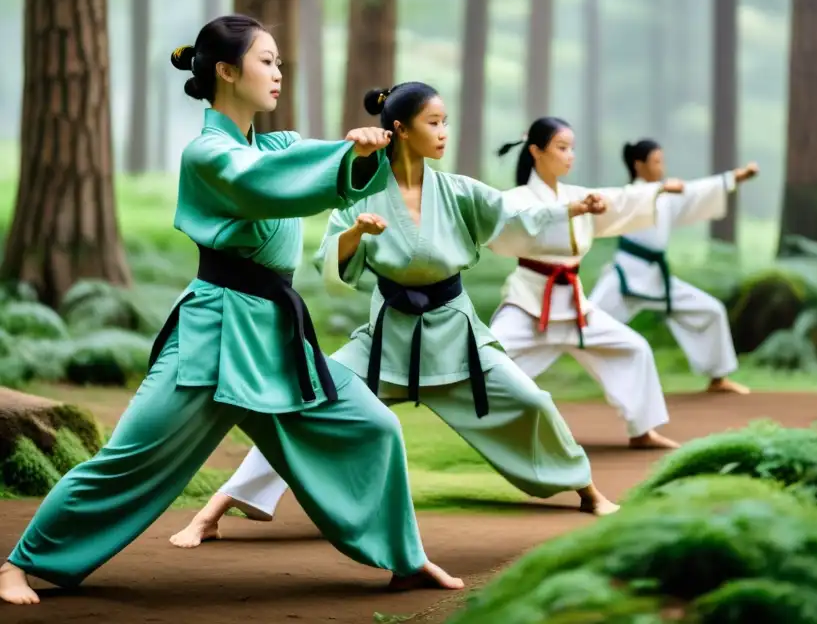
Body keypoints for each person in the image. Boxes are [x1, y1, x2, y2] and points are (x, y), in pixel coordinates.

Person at [0, 17, 461, 606]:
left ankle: (406, 558)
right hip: (214, 334)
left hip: (274, 335)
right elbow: (265, 183)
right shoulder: (208, 154)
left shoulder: (274, 144)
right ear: (225, 71)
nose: (277, 72)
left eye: (278, 62)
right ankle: (20, 562)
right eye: (266, 61)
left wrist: (360, 153)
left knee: (372, 426)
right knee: (131, 459)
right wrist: (346, 156)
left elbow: (301, 160)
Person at [168, 82, 619, 548]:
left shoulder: (459, 190)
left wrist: (572, 207)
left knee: (532, 401)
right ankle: (214, 509)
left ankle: (587, 490)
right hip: (385, 336)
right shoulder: (362, 192)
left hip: (454, 333)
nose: (444, 132)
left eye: (445, 122)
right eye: (434, 122)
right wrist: (356, 233)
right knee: (304, 402)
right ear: (400, 130)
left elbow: (515, 215)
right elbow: (332, 261)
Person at [488, 118, 687, 450]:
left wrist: (657, 190)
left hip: (574, 303)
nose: (570, 156)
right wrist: (571, 209)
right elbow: (516, 220)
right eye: (562, 148)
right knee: (488, 359)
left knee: (634, 349)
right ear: (536, 151)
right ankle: (490, 432)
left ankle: (642, 430)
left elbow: (620, 200)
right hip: (530, 301)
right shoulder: (518, 199)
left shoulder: (577, 195)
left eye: (572, 149)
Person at [588, 139, 759, 395]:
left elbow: (700, 190)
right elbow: (626, 200)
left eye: (661, 161)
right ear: (639, 165)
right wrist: (661, 189)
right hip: (625, 276)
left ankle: (717, 377)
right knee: (582, 322)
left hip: (657, 278)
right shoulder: (629, 195)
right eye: (656, 161)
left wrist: (740, 176)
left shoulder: (666, 197)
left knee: (711, 311)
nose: (661, 166)